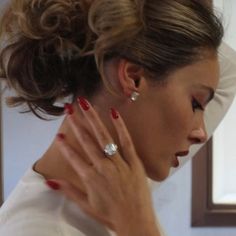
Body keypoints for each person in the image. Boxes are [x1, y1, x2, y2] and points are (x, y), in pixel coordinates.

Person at [0, 0, 232, 235]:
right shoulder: (39, 229)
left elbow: (227, 68)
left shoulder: (124, 185)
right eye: (195, 103)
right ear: (133, 78)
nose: (201, 134)